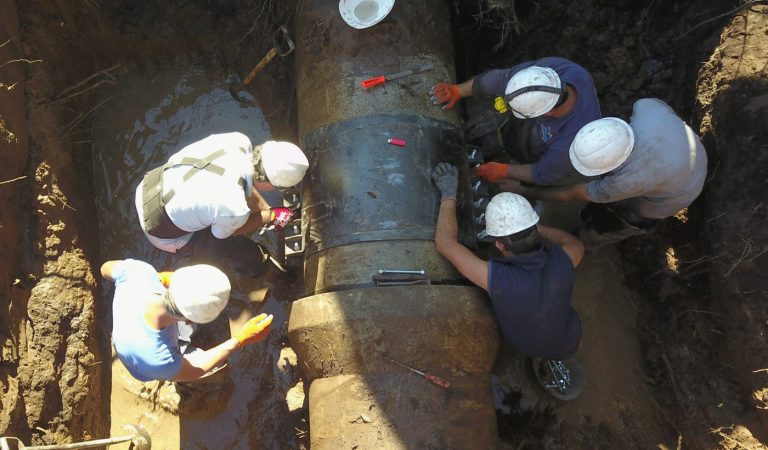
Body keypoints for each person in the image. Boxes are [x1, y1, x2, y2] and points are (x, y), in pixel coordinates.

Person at [430, 163, 586, 399]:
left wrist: (448, 194)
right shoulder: (566, 259)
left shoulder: (498, 279)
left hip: (522, 345)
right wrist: (531, 227)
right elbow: (574, 243)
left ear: (500, 245)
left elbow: (445, 244)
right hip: (570, 341)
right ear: (534, 227)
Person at [499, 98, 708, 248]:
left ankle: (582, 243)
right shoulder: (645, 107)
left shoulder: (624, 183)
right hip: (686, 157)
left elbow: (569, 194)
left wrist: (525, 191)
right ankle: (592, 214)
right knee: (602, 196)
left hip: (676, 194)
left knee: (611, 224)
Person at [135, 132, 309, 273]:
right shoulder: (234, 208)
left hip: (149, 188)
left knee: (225, 206)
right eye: (277, 188)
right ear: (270, 182)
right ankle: (262, 270)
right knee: (225, 246)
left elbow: (241, 180)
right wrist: (269, 216)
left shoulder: (238, 141)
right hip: (162, 232)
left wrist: (268, 211)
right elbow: (226, 233)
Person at [430, 57, 601, 186]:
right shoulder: (559, 70)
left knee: (512, 149)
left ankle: (506, 151)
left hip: (533, 152)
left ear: (545, 112)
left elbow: (542, 173)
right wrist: (457, 90)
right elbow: (502, 78)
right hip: (524, 125)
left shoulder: (572, 144)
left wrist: (504, 170)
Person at [101, 259, 274, 382]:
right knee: (211, 366)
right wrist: (240, 340)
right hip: (144, 369)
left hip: (126, 332)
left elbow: (105, 269)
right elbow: (195, 369)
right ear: (190, 320)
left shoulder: (138, 272)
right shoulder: (161, 360)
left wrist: (156, 277)